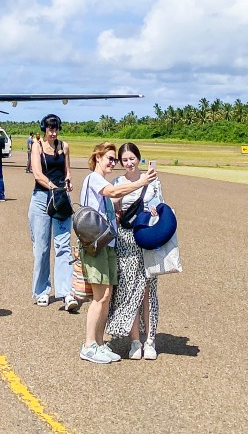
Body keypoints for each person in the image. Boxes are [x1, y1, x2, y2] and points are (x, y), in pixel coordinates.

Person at [78, 142, 158, 363]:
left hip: (107, 244)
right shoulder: (94, 179)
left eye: (115, 159)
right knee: (99, 297)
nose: (113, 162)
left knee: (106, 296)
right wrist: (141, 182)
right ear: (98, 157)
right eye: (110, 158)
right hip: (97, 244)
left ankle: (99, 343)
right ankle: (89, 344)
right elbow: (112, 191)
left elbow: (112, 203)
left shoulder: (102, 180)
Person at [106, 141, 161, 360]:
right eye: (124, 160)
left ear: (139, 158)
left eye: (132, 158)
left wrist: (156, 207)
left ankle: (151, 339)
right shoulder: (118, 182)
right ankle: (135, 341)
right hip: (126, 238)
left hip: (147, 237)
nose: (129, 163)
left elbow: (160, 204)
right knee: (129, 289)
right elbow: (112, 203)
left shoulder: (153, 180)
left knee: (148, 290)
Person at [29, 114, 77, 310]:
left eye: (56, 129)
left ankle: (66, 292)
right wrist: (52, 187)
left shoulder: (64, 146)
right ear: (44, 129)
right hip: (42, 198)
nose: (53, 133)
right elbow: (37, 173)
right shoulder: (37, 146)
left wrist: (68, 182)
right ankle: (42, 291)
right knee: (41, 248)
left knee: (63, 245)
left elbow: (67, 171)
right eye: (50, 129)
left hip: (61, 199)